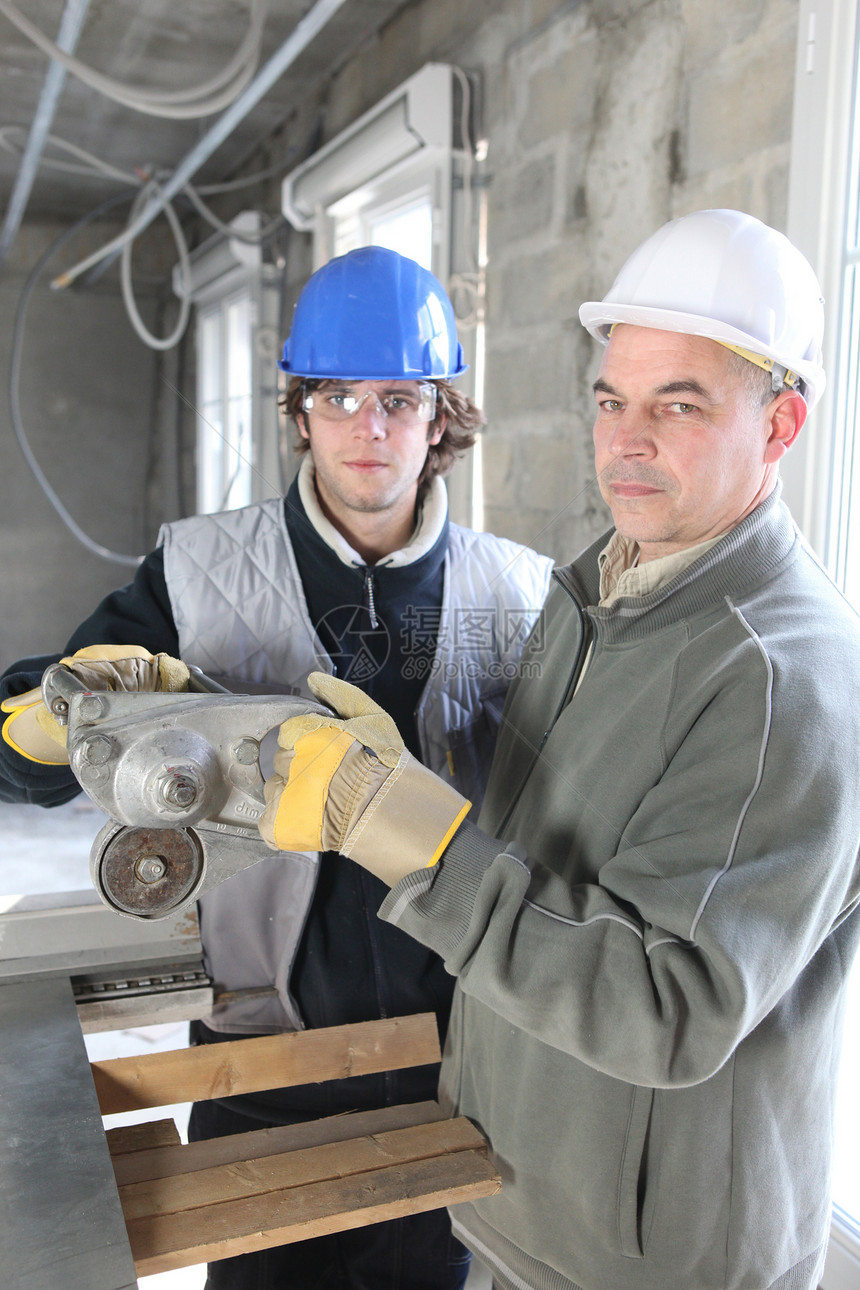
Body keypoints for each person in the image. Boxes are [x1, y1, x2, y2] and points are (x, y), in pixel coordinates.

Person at [258, 210, 860, 1290]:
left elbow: (663, 1006)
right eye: (610, 401)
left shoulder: (782, 681)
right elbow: (551, 856)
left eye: (678, 406)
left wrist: (410, 839)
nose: (625, 441)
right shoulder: (600, 590)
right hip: (523, 1196)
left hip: (646, 1262)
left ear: (779, 424)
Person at [0, 245, 554, 1290]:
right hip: (260, 1065)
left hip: (461, 1074)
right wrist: (42, 719)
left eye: (399, 398)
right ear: (298, 409)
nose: (368, 427)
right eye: (338, 395)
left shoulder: (518, 594)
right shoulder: (197, 570)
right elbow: (36, 757)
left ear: (442, 416)